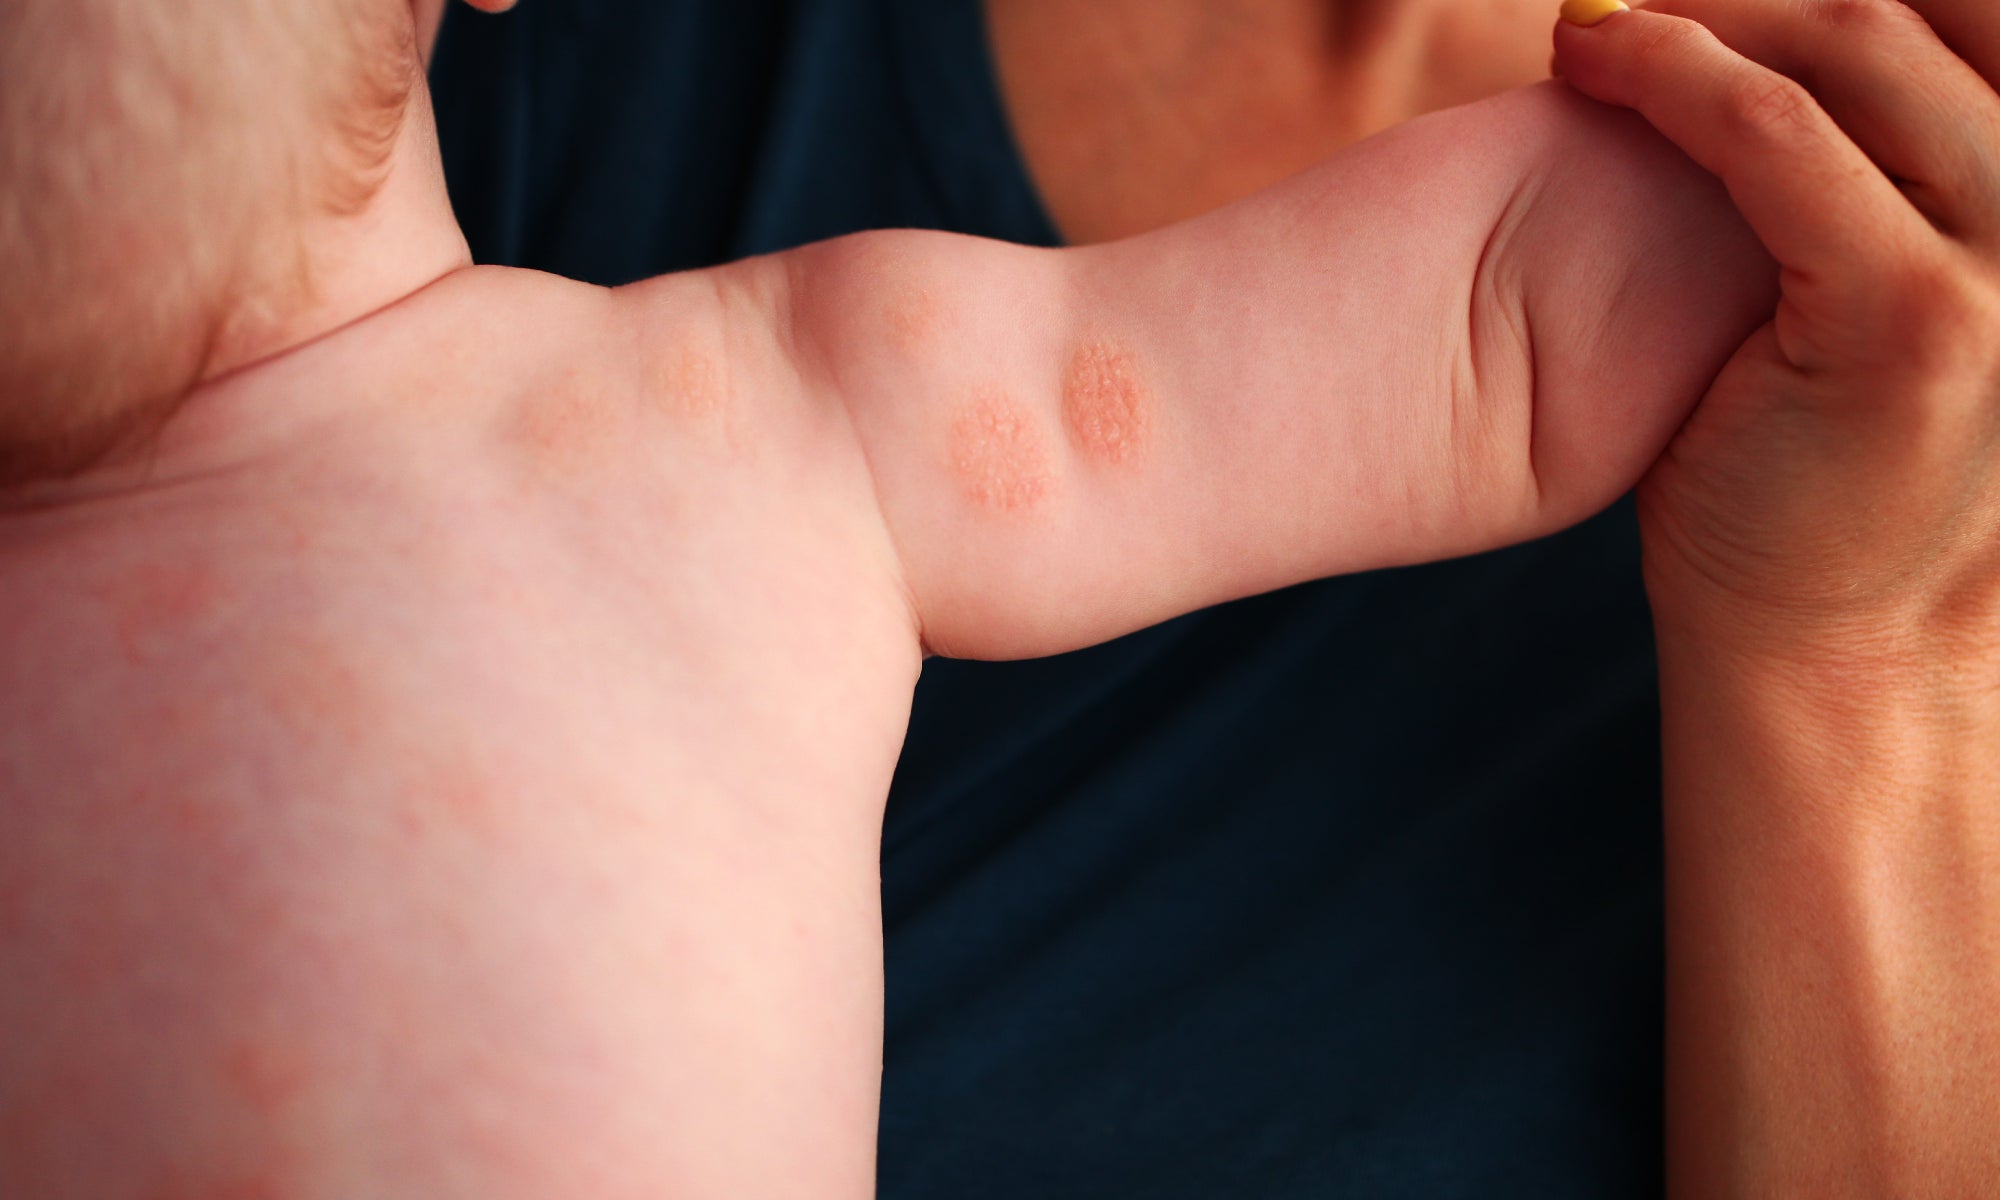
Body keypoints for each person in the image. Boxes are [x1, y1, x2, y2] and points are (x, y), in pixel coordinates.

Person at [0, 1, 1991, 1197]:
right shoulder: (760, 408)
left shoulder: (750, 410)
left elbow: (1491, 330)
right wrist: (1743, 222)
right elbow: (1497, 325)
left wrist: (1835, 294)